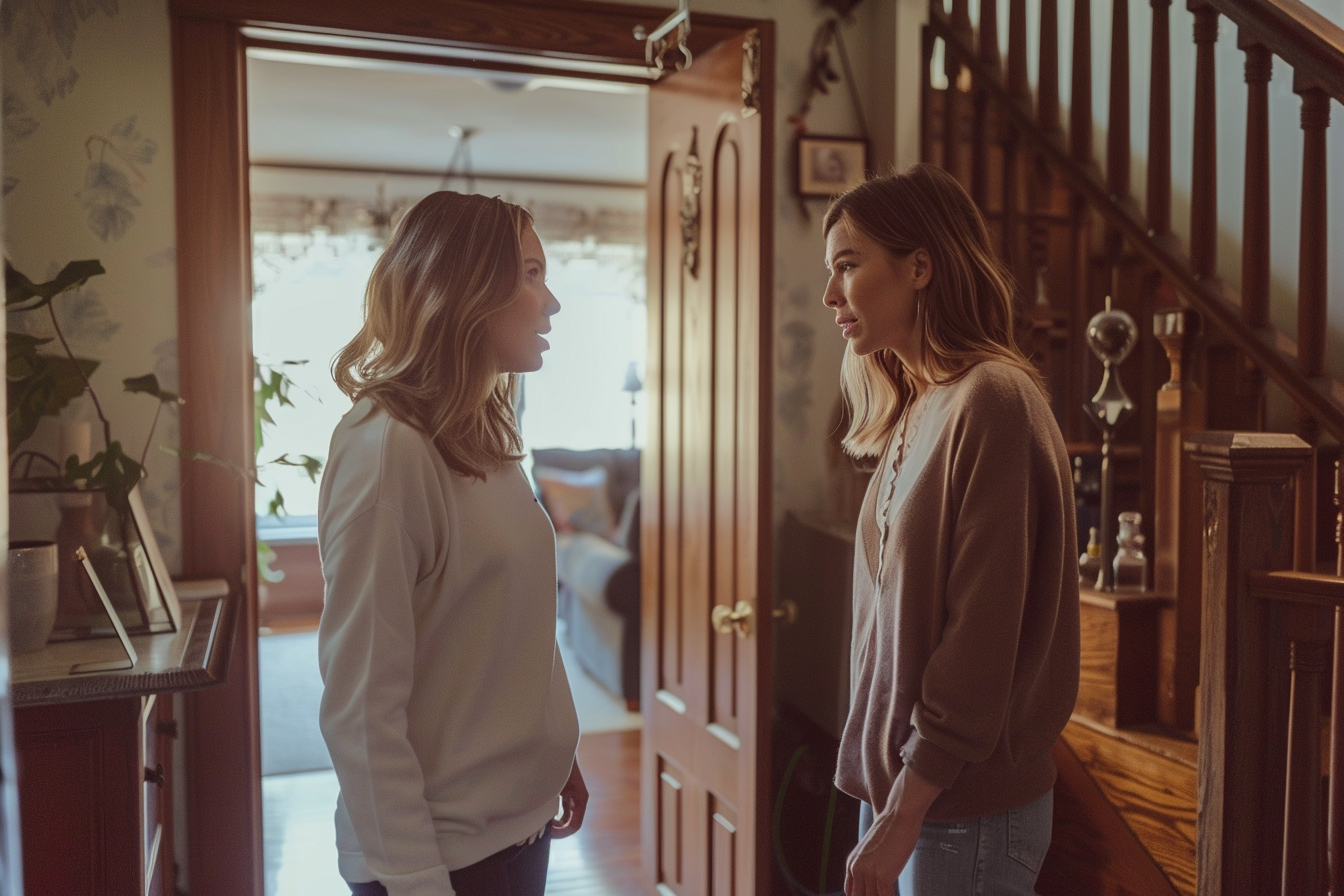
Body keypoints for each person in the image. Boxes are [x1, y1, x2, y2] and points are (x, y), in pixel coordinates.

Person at [820, 164, 1080, 896]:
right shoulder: (920, 407)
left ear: (920, 266)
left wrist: (905, 812)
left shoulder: (992, 399)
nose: (830, 295)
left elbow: (980, 637)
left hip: (958, 813)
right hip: (908, 796)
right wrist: (888, 800)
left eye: (848, 265)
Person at [318, 191, 587, 896]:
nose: (551, 301)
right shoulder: (387, 450)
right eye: (531, 272)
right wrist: (413, 879)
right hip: (439, 859)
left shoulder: (485, 434)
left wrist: (559, 756)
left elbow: (511, 614)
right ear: (462, 287)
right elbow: (361, 704)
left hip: (519, 828)